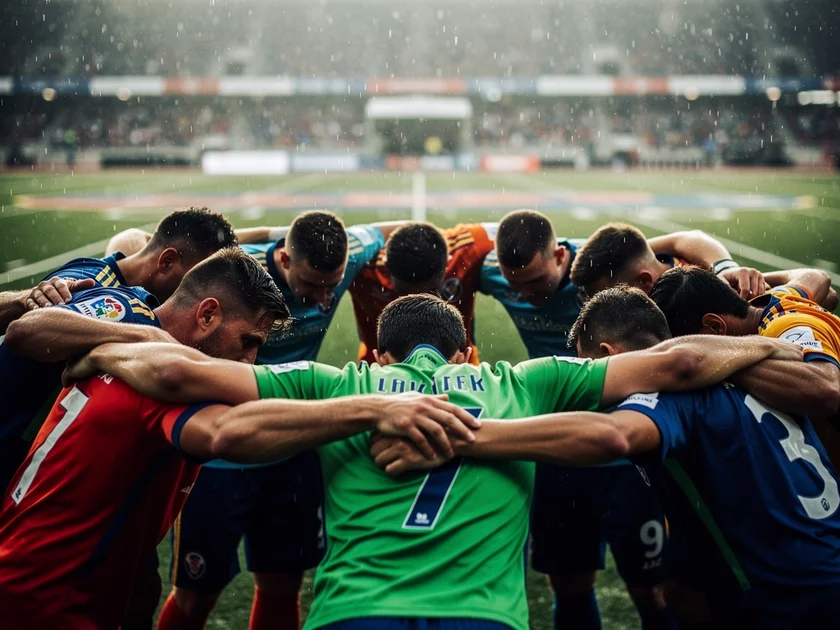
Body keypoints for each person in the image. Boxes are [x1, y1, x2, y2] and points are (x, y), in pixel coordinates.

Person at [67, 293, 794, 630]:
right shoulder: (524, 383)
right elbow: (682, 359)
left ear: (376, 354)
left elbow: (177, 383)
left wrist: (95, 349)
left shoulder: (337, 384)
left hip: (355, 615)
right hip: (482, 617)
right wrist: (770, 344)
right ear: (467, 355)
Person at [0, 250, 476, 630]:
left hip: (38, 572)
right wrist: (374, 408)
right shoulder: (160, 385)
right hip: (48, 599)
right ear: (207, 315)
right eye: (249, 341)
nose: (250, 362)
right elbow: (227, 434)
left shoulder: (122, 340)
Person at [376, 288, 831, 629]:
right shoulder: (774, 382)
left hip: (790, 597)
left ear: (607, 356)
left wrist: (460, 435)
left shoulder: (673, 400)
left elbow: (614, 435)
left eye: (589, 367)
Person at [480, 210, 762, 630]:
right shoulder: (509, 271)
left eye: (536, 283)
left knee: (654, 589)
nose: (524, 294)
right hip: (558, 447)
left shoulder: (602, 268)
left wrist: (724, 267)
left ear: (560, 257)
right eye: (514, 286)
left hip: (634, 448)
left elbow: (687, 237)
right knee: (568, 582)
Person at [159, 211, 388, 630]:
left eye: (331, 287)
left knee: (283, 584)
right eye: (311, 286)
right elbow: (153, 247)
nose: (322, 298)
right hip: (217, 459)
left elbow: (389, 232)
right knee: (195, 596)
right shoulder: (232, 274)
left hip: (292, 450)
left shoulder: (346, 253)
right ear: (283, 260)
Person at [649, 266, 840, 462]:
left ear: (714, 326)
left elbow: (826, 391)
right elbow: (819, 278)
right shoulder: (777, 297)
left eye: (694, 343)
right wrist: (758, 278)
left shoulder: (781, 326)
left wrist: (716, 362)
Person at [350, 221, 496, 364]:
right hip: (382, 369)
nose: (419, 305)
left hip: (457, 367)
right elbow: (335, 240)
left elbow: (512, 230)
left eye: (432, 293)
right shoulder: (364, 266)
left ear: (447, 263)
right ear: (386, 265)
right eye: (403, 294)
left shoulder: (464, 251)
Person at [569, 222, 768, 302]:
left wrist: (726, 269)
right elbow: (681, 239)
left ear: (646, 281)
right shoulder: (659, 262)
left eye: (610, 297)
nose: (603, 307)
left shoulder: (697, 295)